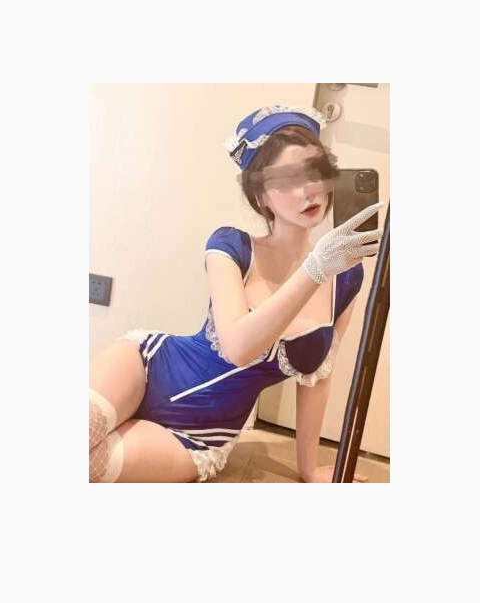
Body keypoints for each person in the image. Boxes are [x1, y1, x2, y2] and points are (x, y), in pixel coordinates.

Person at [89, 104, 384, 483]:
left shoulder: (345, 276)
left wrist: (309, 470)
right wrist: (315, 270)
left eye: (315, 171)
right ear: (261, 197)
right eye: (287, 180)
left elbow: (318, 379)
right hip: (146, 367)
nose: (308, 189)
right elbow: (237, 346)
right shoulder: (230, 246)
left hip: (199, 435)